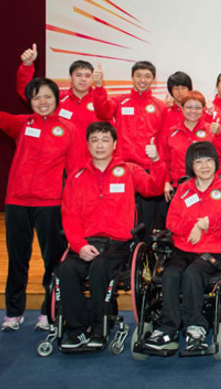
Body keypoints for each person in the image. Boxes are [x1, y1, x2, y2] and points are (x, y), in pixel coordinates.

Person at [0, 78, 79, 332]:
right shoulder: (24, 124)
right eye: (36, 98)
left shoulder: (69, 128)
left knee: (53, 260)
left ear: (56, 99)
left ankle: (48, 312)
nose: (42, 102)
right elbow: (3, 119)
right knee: (17, 259)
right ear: (30, 102)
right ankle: (13, 312)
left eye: (47, 97)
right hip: (17, 202)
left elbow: (76, 169)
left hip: (51, 203)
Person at [57, 122, 164, 348]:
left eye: (105, 140)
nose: (99, 145)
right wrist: (79, 245)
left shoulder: (128, 170)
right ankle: (77, 329)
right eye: (94, 140)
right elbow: (70, 217)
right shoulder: (76, 176)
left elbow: (153, 188)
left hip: (118, 245)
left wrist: (156, 161)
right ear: (87, 144)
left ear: (114, 144)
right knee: (65, 270)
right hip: (86, 244)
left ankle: (98, 328)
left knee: (99, 268)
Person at [144, 142, 221, 352]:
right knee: (170, 274)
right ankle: (167, 327)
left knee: (192, 274)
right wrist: (194, 226)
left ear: (215, 163)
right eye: (198, 162)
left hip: (212, 250)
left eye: (208, 161)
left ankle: (195, 327)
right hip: (183, 248)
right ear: (191, 166)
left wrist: (207, 224)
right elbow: (171, 222)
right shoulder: (184, 189)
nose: (204, 166)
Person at [93, 61, 167, 242]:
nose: (143, 80)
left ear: (153, 80)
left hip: (148, 170)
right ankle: (124, 257)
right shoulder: (120, 101)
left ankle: (146, 259)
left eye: (147, 76)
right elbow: (103, 112)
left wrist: (163, 175)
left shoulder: (160, 106)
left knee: (148, 220)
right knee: (122, 215)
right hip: (122, 168)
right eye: (139, 75)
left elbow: (163, 141)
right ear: (132, 77)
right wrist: (99, 87)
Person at [155, 91, 221, 201]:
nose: (193, 111)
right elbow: (165, 160)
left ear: (203, 109)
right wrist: (166, 182)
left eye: (197, 107)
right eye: (189, 107)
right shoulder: (172, 132)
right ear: (182, 108)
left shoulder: (211, 129)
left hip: (207, 187)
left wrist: (220, 134)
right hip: (179, 187)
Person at [15, 44, 100, 138]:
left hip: (88, 152)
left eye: (87, 76)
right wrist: (27, 65)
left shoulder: (102, 102)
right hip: (58, 151)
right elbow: (28, 92)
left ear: (93, 79)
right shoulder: (57, 97)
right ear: (70, 77)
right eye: (78, 75)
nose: (83, 79)